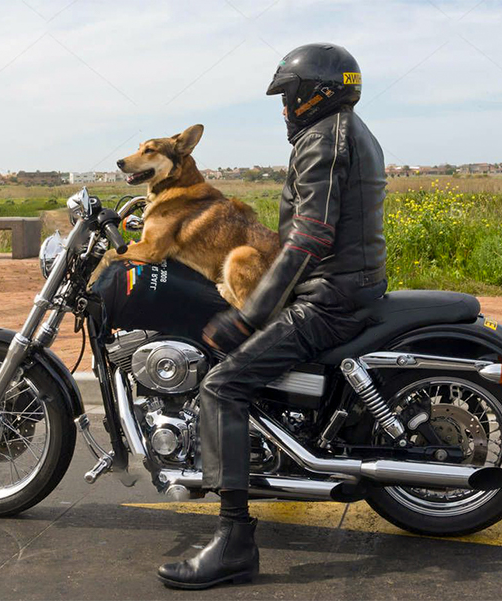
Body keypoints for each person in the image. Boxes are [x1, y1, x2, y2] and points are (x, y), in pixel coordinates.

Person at [157, 43, 388, 590]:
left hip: (328, 299)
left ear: (318, 92)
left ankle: (235, 539)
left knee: (221, 385)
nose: (285, 108)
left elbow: (311, 234)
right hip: (345, 286)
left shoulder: (325, 138)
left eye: (290, 96)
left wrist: (251, 313)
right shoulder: (344, 130)